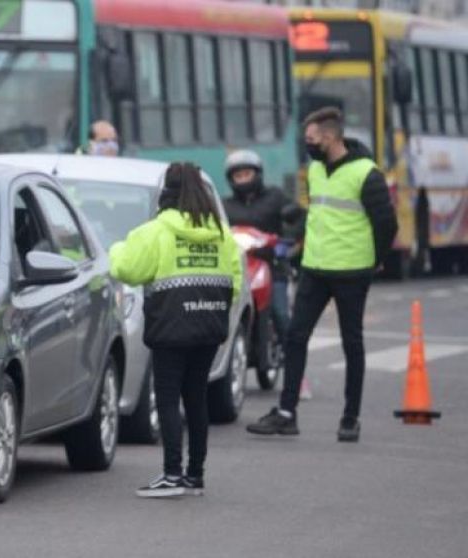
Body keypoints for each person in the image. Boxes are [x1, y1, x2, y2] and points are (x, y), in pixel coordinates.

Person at [246, 107, 397, 442]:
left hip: (352, 272)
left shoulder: (366, 173)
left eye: (312, 139)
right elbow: (317, 214)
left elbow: (387, 223)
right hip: (315, 268)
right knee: (295, 338)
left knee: (351, 342)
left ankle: (350, 418)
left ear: (330, 137)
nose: (308, 144)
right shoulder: (314, 169)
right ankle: (286, 413)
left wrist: (377, 260)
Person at [110, 162, 242, 498]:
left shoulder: (156, 230)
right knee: (196, 397)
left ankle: (171, 473)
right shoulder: (222, 235)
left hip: (171, 326)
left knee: (168, 398)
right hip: (209, 326)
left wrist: (115, 249)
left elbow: (127, 268)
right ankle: (195, 476)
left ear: (166, 192)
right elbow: (236, 281)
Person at [222, 149, 294, 366]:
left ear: (258, 174)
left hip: (273, 267)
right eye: (238, 175)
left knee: (281, 315)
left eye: (247, 174)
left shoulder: (276, 197)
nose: (243, 179)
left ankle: (296, 371)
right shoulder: (225, 207)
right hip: (237, 269)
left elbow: (299, 219)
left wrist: (284, 243)